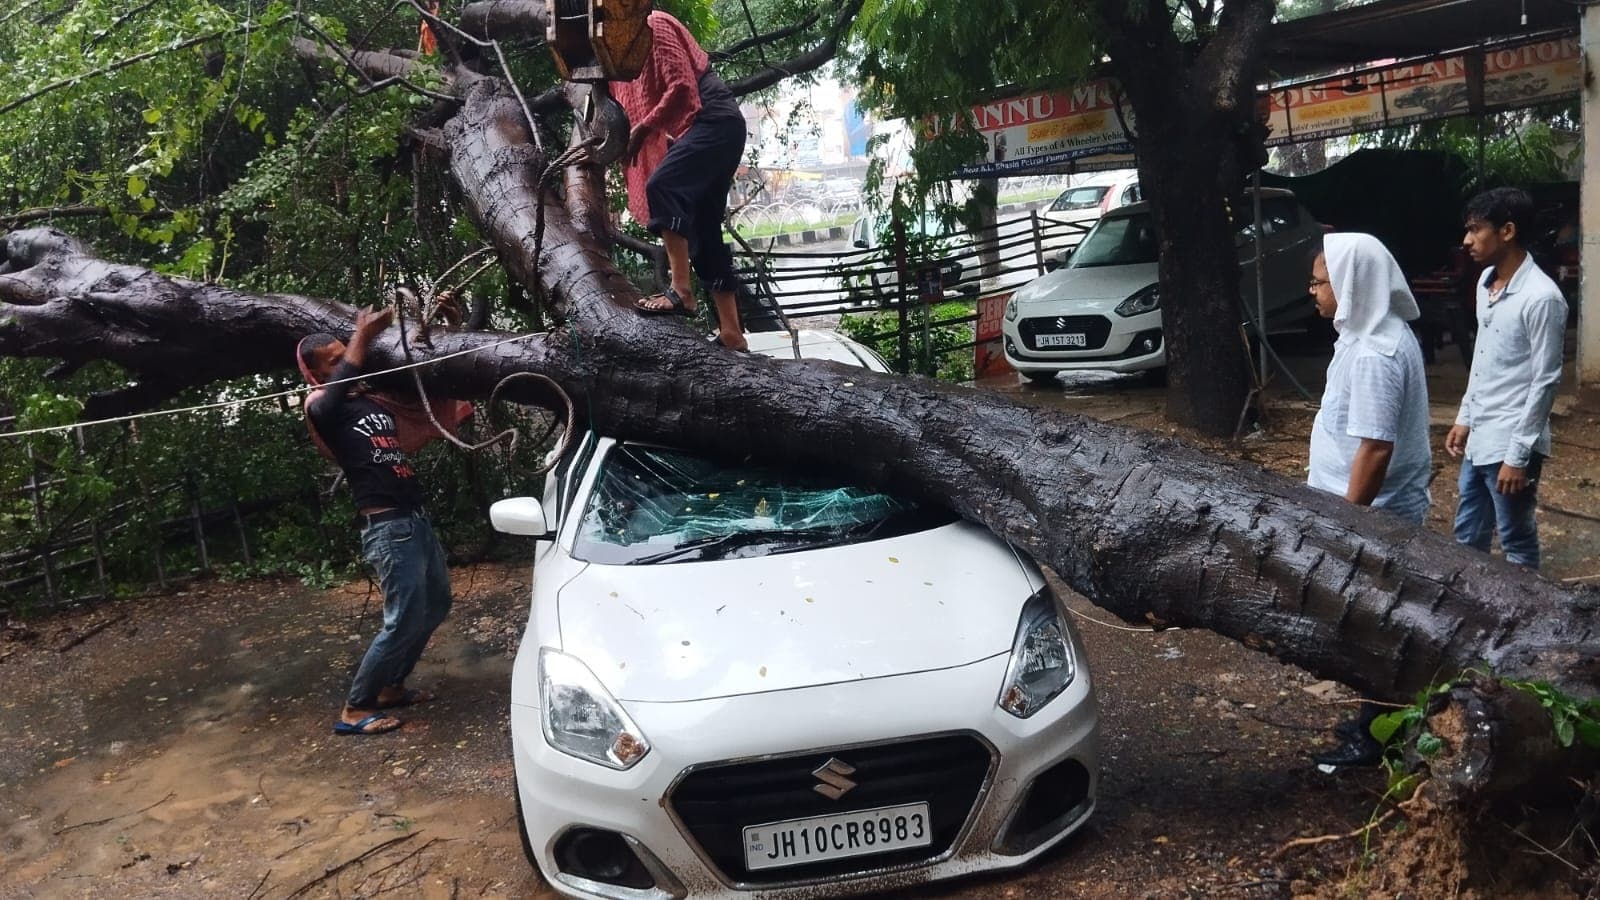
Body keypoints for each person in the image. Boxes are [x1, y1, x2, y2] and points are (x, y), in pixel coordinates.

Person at [1304, 233, 1432, 769]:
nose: (1311, 290)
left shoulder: (1378, 352)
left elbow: (1376, 449)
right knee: (1368, 628)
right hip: (1359, 513)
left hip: (1371, 520)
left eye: (1319, 281)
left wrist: (1347, 524)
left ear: (1351, 282)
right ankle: (1374, 722)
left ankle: (1373, 737)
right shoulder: (1361, 335)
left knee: (1371, 632)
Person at [299, 309, 456, 736]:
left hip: (413, 518)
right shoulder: (320, 406)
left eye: (343, 355)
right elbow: (332, 394)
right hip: (388, 527)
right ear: (314, 374)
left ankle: (390, 686)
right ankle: (355, 707)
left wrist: (436, 323)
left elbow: (415, 376)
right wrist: (360, 337)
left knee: (438, 601)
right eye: (332, 360)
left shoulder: (368, 399)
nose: (346, 360)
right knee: (402, 617)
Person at [610, 10, 749, 351]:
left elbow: (683, 86)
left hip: (714, 119)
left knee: (662, 186)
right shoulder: (622, 51)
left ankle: (681, 291)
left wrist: (643, 128)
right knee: (703, 228)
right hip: (709, 127)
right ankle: (732, 332)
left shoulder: (652, 24)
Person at [1447, 187, 1568, 569]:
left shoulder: (1541, 298)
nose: (1467, 240)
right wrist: (1465, 417)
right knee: (1467, 536)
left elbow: (1545, 381)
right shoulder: (1487, 284)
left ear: (1508, 231)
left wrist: (1518, 457)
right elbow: (1484, 360)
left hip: (1512, 440)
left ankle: (1526, 617)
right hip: (1481, 435)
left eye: (1475, 229)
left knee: (1515, 541)